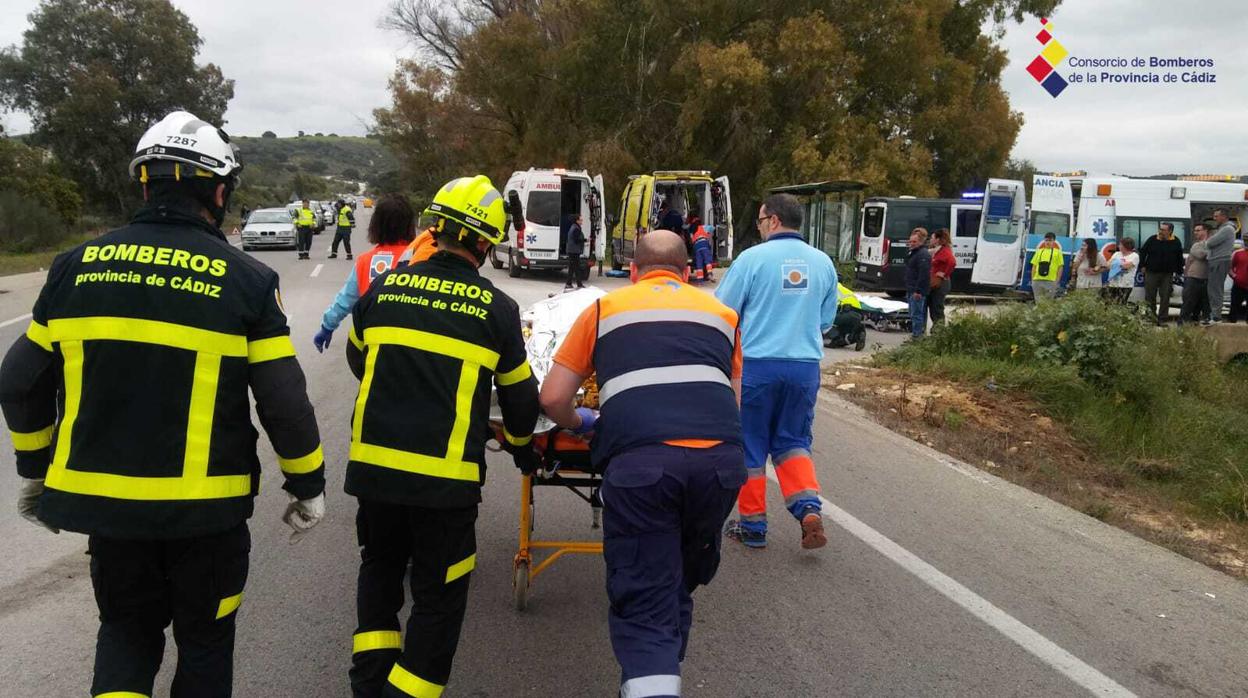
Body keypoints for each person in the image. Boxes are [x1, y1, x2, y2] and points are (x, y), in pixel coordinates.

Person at [0, 111, 326, 698]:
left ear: (144, 184)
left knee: (125, 633)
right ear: (219, 191)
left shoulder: (74, 268)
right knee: (204, 643)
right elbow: (283, 399)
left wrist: (34, 469)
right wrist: (308, 483)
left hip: (109, 513)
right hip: (208, 516)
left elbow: (19, 381)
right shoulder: (246, 278)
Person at [344, 174, 539, 698]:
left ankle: (369, 683)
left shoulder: (383, 288)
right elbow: (521, 402)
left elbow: (359, 360)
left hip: (374, 474)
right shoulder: (496, 310)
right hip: (442, 485)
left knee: (380, 572)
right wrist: (523, 450)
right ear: (484, 242)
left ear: (435, 228)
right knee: (439, 596)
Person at [539, 230, 746, 698]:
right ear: (689, 272)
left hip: (644, 465)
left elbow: (552, 398)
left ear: (632, 271)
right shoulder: (723, 316)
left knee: (647, 595)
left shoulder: (604, 309)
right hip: (720, 465)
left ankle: (652, 681)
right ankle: (656, 673)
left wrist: (585, 420)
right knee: (676, 581)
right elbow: (731, 401)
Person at [715, 193, 837, 550]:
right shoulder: (823, 263)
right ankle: (808, 510)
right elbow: (826, 320)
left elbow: (724, 312)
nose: (759, 226)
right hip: (804, 368)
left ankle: (753, 526)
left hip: (757, 367)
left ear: (772, 221)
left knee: (750, 445)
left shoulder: (752, 260)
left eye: (759, 220)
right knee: (794, 441)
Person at [313, 195, 419, 353]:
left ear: (376, 225)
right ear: (411, 225)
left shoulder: (365, 261)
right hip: (412, 343)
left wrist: (327, 327)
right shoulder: (421, 257)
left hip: (372, 342)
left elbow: (345, 300)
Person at [1139, 222, 1184, 325]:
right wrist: (1142, 265)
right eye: (1160, 229)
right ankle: (1151, 317)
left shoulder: (1176, 241)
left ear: (1170, 231)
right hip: (1151, 272)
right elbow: (1143, 251)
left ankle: (1162, 319)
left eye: (1163, 230)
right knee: (1150, 296)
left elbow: (1179, 256)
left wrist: (1179, 271)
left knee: (1165, 296)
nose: (1161, 231)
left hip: (1167, 273)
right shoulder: (1152, 239)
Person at [1205, 208, 1237, 323]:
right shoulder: (1222, 229)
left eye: (1216, 216)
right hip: (1217, 260)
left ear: (1224, 216)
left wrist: (1208, 241)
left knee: (1215, 289)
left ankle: (1216, 316)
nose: (1214, 219)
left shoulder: (1227, 229)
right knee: (1213, 288)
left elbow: (1210, 242)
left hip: (1220, 260)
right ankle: (1214, 314)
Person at [1180, 224, 1212, 325]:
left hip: (1206, 279)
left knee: (1204, 305)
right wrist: (1210, 249)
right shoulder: (1196, 245)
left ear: (1206, 231)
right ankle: (1182, 324)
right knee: (1188, 304)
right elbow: (1201, 255)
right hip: (1193, 278)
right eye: (1195, 230)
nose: (1195, 233)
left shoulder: (1210, 244)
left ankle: (1197, 323)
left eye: (1198, 230)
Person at [824, 282, 867, 351]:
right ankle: (858, 335)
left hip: (844, 312)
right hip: (858, 314)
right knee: (845, 336)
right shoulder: (844, 289)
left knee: (823, 320)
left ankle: (836, 338)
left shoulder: (828, 288)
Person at [905, 227, 931, 337]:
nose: (911, 243)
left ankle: (917, 337)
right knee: (913, 314)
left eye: (914, 241)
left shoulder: (923, 255)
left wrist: (918, 291)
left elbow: (923, 274)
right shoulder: (914, 253)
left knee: (917, 315)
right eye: (910, 241)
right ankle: (916, 335)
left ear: (921, 241)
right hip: (911, 288)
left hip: (917, 290)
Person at [927, 228, 956, 326]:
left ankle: (939, 330)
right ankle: (936, 329)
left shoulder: (944, 251)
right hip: (935, 282)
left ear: (937, 239)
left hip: (940, 283)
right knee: (933, 307)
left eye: (932, 238)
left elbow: (952, 262)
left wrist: (944, 274)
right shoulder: (937, 251)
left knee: (937, 308)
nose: (930, 240)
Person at [1030, 232, 1064, 301]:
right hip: (1037, 280)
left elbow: (1060, 267)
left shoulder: (1058, 252)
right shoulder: (1039, 251)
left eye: (1050, 240)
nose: (1048, 242)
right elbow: (1034, 266)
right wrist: (1033, 279)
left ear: (1054, 241)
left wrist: (1057, 280)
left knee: (1048, 302)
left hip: (1051, 281)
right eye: (1046, 240)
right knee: (1038, 300)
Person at [1105, 237, 1139, 304]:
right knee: (1110, 303)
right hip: (1113, 284)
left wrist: (1115, 263)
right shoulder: (1116, 254)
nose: (1119, 246)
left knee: (1121, 303)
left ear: (1126, 246)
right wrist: (1118, 264)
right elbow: (1108, 265)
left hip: (1126, 285)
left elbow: (1126, 266)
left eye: (1120, 244)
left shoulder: (1135, 256)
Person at [565, 213, 586, 290]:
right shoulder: (576, 228)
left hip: (572, 250)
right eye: (580, 220)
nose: (582, 221)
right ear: (577, 221)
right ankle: (579, 284)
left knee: (572, 268)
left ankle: (569, 283)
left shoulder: (573, 227)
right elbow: (577, 240)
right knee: (577, 268)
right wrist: (585, 240)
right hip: (574, 251)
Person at [1229, 240, 1248, 323]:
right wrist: (1234, 276)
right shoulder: (1237, 253)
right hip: (1239, 284)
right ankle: (1231, 325)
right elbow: (1229, 267)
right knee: (1234, 306)